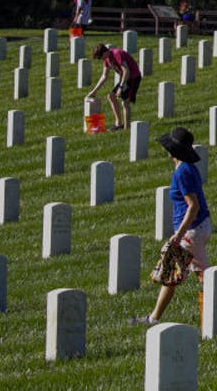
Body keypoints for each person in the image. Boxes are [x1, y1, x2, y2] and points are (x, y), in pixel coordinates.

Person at [132, 127, 210, 325]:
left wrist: (179, 235)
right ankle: (154, 318)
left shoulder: (182, 172)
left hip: (191, 232)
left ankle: (211, 318)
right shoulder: (187, 168)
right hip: (197, 228)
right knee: (171, 275)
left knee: (205, 277)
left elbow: (193, 207)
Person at [87, 43, 142, 131]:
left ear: (105, 52)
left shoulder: (117, 54)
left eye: (100, 57)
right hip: (125, 79)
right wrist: (94, 91)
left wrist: (120, 87)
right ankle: (118, 123)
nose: (101, 59)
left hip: (133, 78)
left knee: (125, 102)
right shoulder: (107, 60)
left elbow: (126, 70)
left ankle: (126, 128)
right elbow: (104, 76)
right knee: (111, 96)